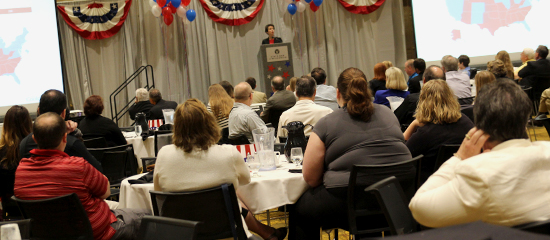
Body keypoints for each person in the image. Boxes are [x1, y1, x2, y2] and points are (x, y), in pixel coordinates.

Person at [409, 79, 550, 228]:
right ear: (526, 118)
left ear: (480, 125)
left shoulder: (478, 173)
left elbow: (419, 208)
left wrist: (459, 158)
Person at [294, 67, 411, 240]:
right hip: (396, 200)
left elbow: (311, 177)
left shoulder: (326, 123)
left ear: (338, 93)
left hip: (349, 202)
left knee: (299, 211)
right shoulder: (388, 114)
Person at [153, 99, 286, 240]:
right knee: (230, 193)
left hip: (179, 231)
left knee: (228, 193)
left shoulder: (164, 154)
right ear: (209, 124)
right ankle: (266, 232)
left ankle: (266, 232)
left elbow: (159, 192)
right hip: (224, 229)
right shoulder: (228, 152)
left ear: (177, 127)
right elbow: (246, 180)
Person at [15, 112, 150, 240]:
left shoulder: (21, 170)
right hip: (96, 233)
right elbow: (105, 192)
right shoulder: (78, 166)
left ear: (34, 138)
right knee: (147, 216)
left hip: (47, 235)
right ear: (64, 138)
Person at [403, 80, 474, 183]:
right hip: (463, 179)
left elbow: (405, 154)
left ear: (423, 101)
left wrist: (414, 123)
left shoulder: (425, 133)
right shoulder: (465, 121)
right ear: (450, 97)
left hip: (430, 183)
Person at [19, 90, 102, 172]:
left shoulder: (24, 143)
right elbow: (97, 171)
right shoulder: (72, 143)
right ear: (63, 113)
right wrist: (73, 134)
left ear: (38, 110)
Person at [0, 106, 32, 216]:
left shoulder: (1, 152)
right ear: (29, 123)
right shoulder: (37, 149)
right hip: (37, 207)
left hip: (12, 211)